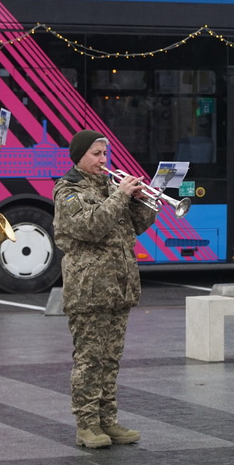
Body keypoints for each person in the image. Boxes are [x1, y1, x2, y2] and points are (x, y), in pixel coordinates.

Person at [54, 130, 157, 448]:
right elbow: (90, 226)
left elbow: (136, 226)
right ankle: (86, 425)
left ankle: (108, 420)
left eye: (104, 154)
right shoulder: (68, 190)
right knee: (89, 359)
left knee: (111, 358)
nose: (103, 160)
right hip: (89, 288)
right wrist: (120, 196)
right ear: (81, 156)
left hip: (118, 286)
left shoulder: (112, 187)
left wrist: (143, 202)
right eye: (97, 154)